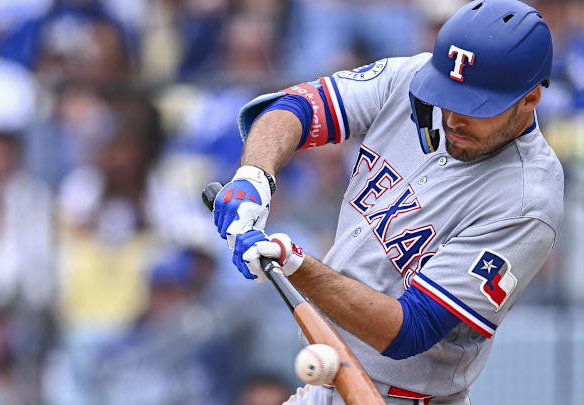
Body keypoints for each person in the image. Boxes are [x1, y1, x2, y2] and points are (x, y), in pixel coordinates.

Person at [211, 1, 563, 404]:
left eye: (475, 106)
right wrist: (255, 175)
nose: (453, 117)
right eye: (449, 95)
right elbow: (297, 107)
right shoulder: (415, 78)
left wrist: (297, 265)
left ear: (530, 98)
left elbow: (408, 329)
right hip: (326, 377)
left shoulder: (527, 199)